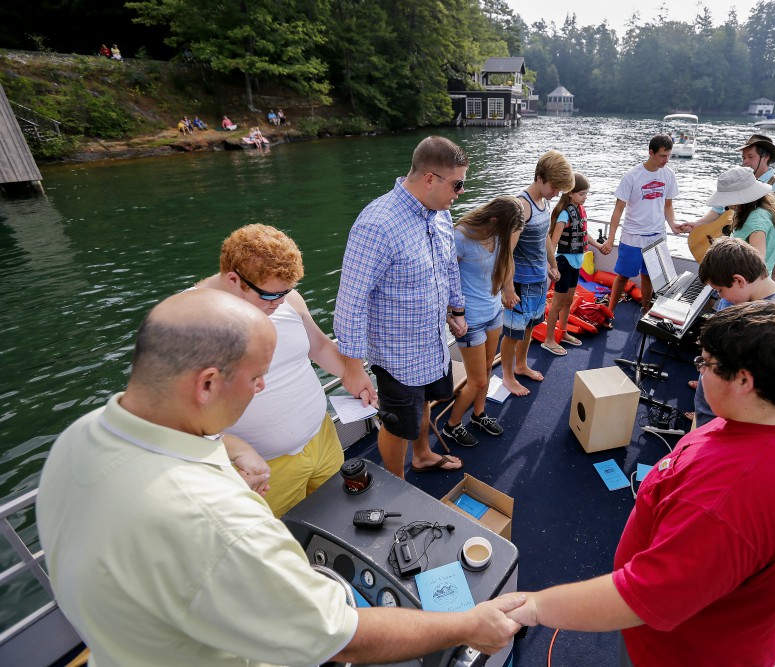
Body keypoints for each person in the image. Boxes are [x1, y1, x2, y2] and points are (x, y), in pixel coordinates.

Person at [36, 289, 524, 666]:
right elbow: (337, 637)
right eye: (255, 378)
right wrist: (464, 625)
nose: (262, 387)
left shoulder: (80, 438)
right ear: (206, 383)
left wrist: (233, 444)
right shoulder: (219, 523)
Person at [505, 301, 775, 667]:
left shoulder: (731, 497)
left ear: (744, 381)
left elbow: (642, 598)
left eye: (705, 364)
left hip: (676, 652)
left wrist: (533, 608)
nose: (698, 372)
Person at [194, 224, 376, 517]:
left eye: (287, 291)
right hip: (266, 470)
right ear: (233, 279)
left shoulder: (283, 298)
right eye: (271, 296)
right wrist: (231, 451)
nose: (281, 302)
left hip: (323, 440)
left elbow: (318, 346)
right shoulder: (187, 324)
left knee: (338, 514)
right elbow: (174, 422)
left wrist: (350, 375)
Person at [334, 136, 469, 478]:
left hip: (433, 343)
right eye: (458, 184)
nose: (461, 192)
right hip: (397, 356)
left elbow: (449, 264)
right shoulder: (376, 225)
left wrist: (456, 309)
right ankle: (398, 483)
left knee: (423, 405)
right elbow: (351, 300)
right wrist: (353, 367)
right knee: (396, 426)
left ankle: (422, 455)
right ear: (429, 179)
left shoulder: (439, 213)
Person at [439, 196, 525, 448]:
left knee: (487, 368)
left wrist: (508, 291)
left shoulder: (499, 236)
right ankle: (451, 426)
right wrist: (451, 315)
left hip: (493, 311)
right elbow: (445, 283)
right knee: (476, 379)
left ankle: (478, 414)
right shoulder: (460, 238)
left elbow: (506, 262)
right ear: (494, 220)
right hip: (470, 320)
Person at [687, 237, 775, 428]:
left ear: (739, 280)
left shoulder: (768, 320)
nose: (720, 296)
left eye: (720, 290)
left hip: (717, 420)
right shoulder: (773, 296)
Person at [499, 150, 575, 396]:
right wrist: (507, 288)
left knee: (531, 327)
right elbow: (506, 252)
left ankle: (521, 366)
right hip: (521, 284)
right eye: (554, 187)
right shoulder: (521, 207)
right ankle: (507, 376)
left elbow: (544, 239)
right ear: (540, 178)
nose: (556, 193)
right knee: (512, 334)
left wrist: (552, 265)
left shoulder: (545, 201)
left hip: (540, 280)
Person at [599, 135, 680, 315]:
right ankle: (610, 310)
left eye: (668, 156)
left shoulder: (669, 175)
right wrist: (611, 238)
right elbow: (618, 209)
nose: (666, 160)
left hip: (657, 235)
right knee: (622, 276)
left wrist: (673, 224)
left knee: (649, 275)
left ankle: (646, 309)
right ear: (651, 152)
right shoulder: (632, 176)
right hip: (632, 236)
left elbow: (668, 205)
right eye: (662, 156)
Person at [680, 133, 775, 239]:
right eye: (744, 157)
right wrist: (696, 224)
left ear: (766, 157)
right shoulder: (739, 179)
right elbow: (718, 210)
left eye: (750, 157)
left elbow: (774, 226)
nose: (745, 162)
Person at [541, 171, 600, 356]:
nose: (585, 197)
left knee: (568, 301)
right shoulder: (564, 215)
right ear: (570, 194)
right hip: (564, 262)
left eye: (586, 194)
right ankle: (549, 340)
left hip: (577, 263)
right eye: (582, 194)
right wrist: (553, 266)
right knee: (557, 304)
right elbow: (552, 242)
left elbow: (583, 234)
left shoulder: (580, 211)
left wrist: (599, 245)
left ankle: (563, 332)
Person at [700, 166, 775, 277]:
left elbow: (757, 264)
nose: (727, 205)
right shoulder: (762, 210)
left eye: (727, 199)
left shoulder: (756, 221)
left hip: (746, 287)